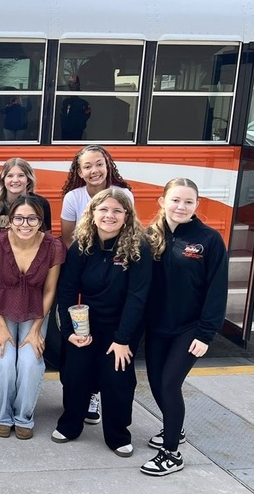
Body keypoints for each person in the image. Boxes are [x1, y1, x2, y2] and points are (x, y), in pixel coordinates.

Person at [51, 188, 152, 458]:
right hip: (86, 322)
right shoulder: (82, 244)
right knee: (75, 375)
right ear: (92, 214)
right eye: (103, 210)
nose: (110, 215)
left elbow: (137, 296)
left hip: (122, 326)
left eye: (117, 210)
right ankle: (70, 425)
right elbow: (67, 290)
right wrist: (70, 332)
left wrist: (123, 340)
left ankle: (118, 435)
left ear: (127, 216)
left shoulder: (137, 247)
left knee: (117, 379)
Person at [140, 178, 228, 476]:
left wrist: (206, 333)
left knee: (169, 383)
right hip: (156, 327)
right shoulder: (149, 235)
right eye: (175, 200)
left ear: (196, 205)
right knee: (154, 383)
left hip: (190, 328)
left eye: (188, 202)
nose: (181, 206)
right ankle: (173, 430)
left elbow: (217, 289)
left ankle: (171, 453)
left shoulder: (209, 239)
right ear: (162, 201)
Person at [60, 144, 134, 423]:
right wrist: (82, 269)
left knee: (109, 347)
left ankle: (96, 396)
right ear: (79, 172)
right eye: (87, 166)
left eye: (99, 164)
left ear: (108, 165)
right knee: (80, 345)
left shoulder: (123, 194)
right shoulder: (73, 197)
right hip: (84, 271)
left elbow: (125, 232)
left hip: (114, 274)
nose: (94, 170)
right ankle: (80, 400)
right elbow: (68, 239)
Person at [0, 196, 65, 440]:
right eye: (19, 218)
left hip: (35, 310)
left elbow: (50, 289)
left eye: (32, 218)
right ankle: (2, 414)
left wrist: (36, 329)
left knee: (30, 363)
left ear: (41, 221)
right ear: (10, 220)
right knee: (5, 362)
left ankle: (23, 416)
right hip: (2, 308)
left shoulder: (53, 246)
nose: (25, 223)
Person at [0, 157, 52, 232]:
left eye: (21, 175)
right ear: (3, 180)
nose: (15, 180)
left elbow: (47, 237)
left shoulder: (41, 204)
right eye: (10, 176)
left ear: (28, 180)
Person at [60, 74, 91, 139]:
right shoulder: (65, 102)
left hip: (78, 132)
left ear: (78, 84)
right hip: (65, 132)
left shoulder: (84, 102)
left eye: (74, 83)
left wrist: (79, 125)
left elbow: (87, 115)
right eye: (69, 84)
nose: (71, 85)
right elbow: (61, 115)